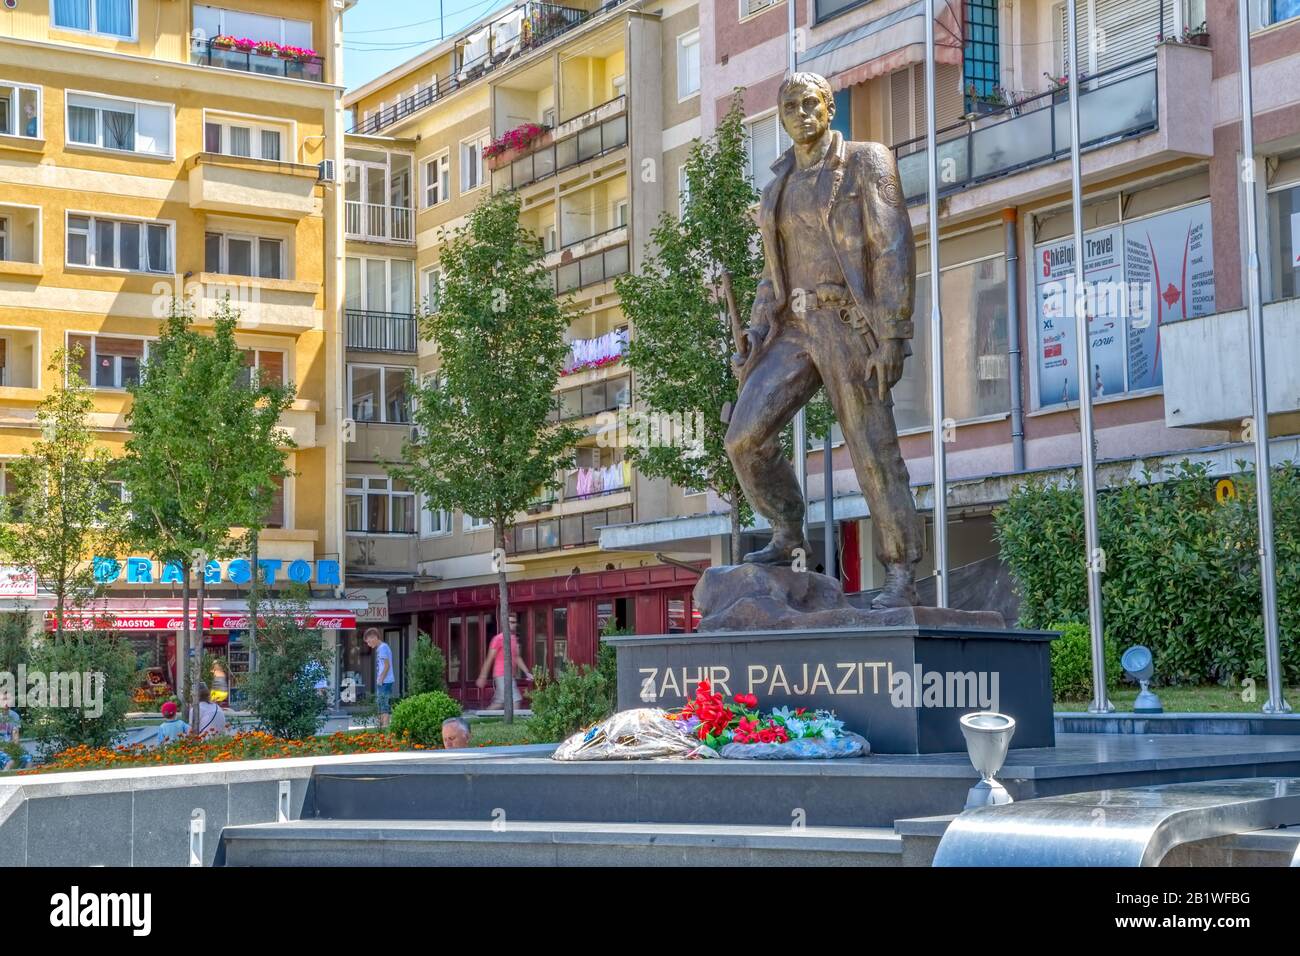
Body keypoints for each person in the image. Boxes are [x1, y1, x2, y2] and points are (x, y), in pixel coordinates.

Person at [724, 71, 923, 608]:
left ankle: (902, 571)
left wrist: (892, 333)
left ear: (829, 107)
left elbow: (892, 249)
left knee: (870, 446)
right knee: (744, 438)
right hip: (793, 328)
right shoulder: (777, 187)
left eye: (810, 103)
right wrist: (759, 328)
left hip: (847, 323)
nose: (800, 114)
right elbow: (772, 275)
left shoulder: (865, 161)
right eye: (789, 107)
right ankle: (788, 531)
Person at [476, 630, 532, 710]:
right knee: (515, 700)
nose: (513, 625)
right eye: (511, 622)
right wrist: (483, 676)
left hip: (510, 675)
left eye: (514, 622)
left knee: (500, 703)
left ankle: (483, 715)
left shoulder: (514, 639)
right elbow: (490, 658)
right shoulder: (499, 638)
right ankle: (514, 722)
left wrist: (527, 672)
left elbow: (517, 657)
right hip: (502, 675)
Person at [364, 628, 394, 729]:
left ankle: (385, 727)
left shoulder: (382, 648)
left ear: (375, 637)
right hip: (383, 681)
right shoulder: (381, 648)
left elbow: (387, 665)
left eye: (368, 641)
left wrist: (381, 679)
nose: (368, 644)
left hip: (385, 682)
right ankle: (381, 727)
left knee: (383, 704)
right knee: (381, 704)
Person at [0, 690, 30, 771]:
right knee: (11, 762)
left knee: (28, 760)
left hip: (10, 749)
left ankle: (25, 782)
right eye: (4, 699)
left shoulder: (14, 716)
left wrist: (13, 750)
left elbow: (16, 739)